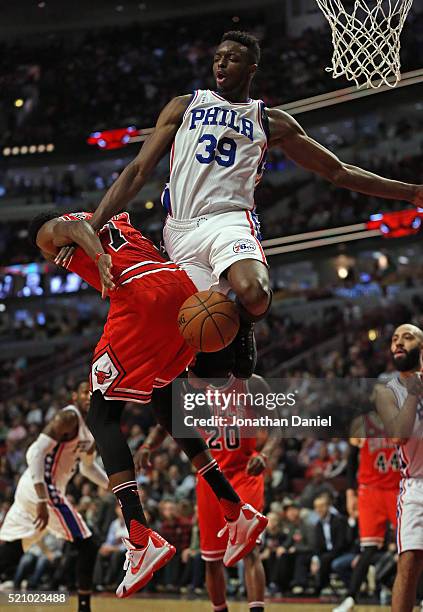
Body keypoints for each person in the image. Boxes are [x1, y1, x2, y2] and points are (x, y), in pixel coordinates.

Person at [76, 30, 423, 381]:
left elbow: (337, 171)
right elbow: (136, 171)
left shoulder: (271, 121)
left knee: (255, 292)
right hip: (180, 230)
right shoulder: (184, 105)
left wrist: (410, 192)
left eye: (233, 58)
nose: (222, 62)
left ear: (251, 69)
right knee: (194, 341)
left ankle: (243, 329)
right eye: (218, 57)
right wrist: (93, 223)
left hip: (231, 221)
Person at [28, 210, 268, 598]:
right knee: (166, 400)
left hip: (139, 297)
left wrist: (98, 255)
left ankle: (140, 538)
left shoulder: (50, 232)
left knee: (101, 413)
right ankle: (234, 508)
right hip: (181, 294)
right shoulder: (116, 215)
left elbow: (75, 229)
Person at [137, 351, 278, 612]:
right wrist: (147, 446)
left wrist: (266, 454)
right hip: (210, 479)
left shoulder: (251, 383)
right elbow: (165, 422)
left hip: (245, 474)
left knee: (250, 549)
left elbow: (277, 425)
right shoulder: (191, 391)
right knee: (212, 558)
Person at [0, 381, 107, 612]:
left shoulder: (92, 429)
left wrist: (111, 485)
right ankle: (84, 607)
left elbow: (87, 468)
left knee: (15, 547)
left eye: (94, 393)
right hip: (42, 488)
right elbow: (34, 452)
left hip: (35, 488)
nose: (90, 396)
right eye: (84, 392)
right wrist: (41, 498)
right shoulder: (68, 417)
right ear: (74, 396)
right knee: (88, 544)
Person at [373, 324, 423, 612]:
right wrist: (414, 393)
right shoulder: (386, 391)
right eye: (394, 339)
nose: (398, 343)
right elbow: (398, 435)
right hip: (415, 485)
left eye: (407, 337)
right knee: (409, 562)